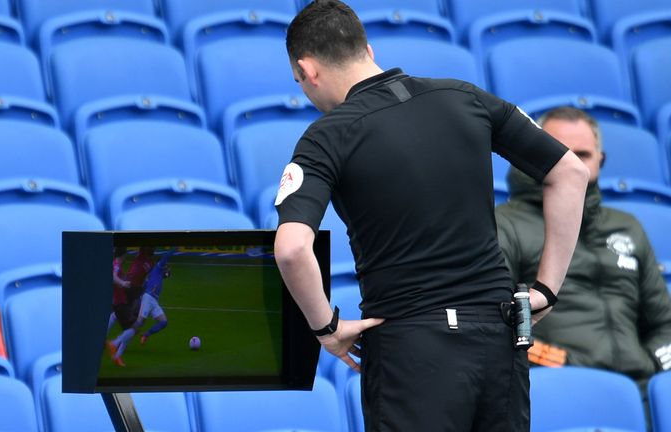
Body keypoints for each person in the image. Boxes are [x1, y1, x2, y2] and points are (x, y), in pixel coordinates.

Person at [272, 1, 590, 430]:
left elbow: (291, 249)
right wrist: (547, 290)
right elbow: (571, 171)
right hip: (500, 341)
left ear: (308, 70)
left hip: (411, 352)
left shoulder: (327, 135)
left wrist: (327, 328)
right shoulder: (465, 96)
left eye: (300, 83)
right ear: (367, 48)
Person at [495, 107, 671, 390]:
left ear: (600, 161)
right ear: (532, 152)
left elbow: (665, 324)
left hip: (641, 390)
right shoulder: (504, 224)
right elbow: (499, 323)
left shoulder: (627, 227)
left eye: (583, 155)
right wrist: (566, 366)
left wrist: (652, 365)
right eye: (559, 151)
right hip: (559, 388)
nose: (572, 164)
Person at [107, 246, 154, 366]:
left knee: (118, 318)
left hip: (130, 293)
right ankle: (115, 345)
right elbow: (113, 276)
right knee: (134, 327)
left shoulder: (148, 261)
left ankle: (115, 352)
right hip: (129, 294)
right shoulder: (142, 258)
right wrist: (122, 282)